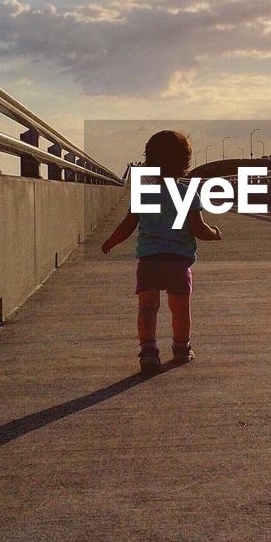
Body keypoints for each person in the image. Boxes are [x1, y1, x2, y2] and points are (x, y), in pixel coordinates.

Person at [101, 130, 222, 375]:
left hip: (149, 261)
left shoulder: (145, 193)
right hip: (178, 263)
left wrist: (111, 241)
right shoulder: (188, 193)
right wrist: (214, 233)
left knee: (147, 309)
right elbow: (198, 228)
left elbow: (128, 225)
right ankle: (181, 347)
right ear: (185, 163)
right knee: (180, 310)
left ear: (148, 161)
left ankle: (148, 352)